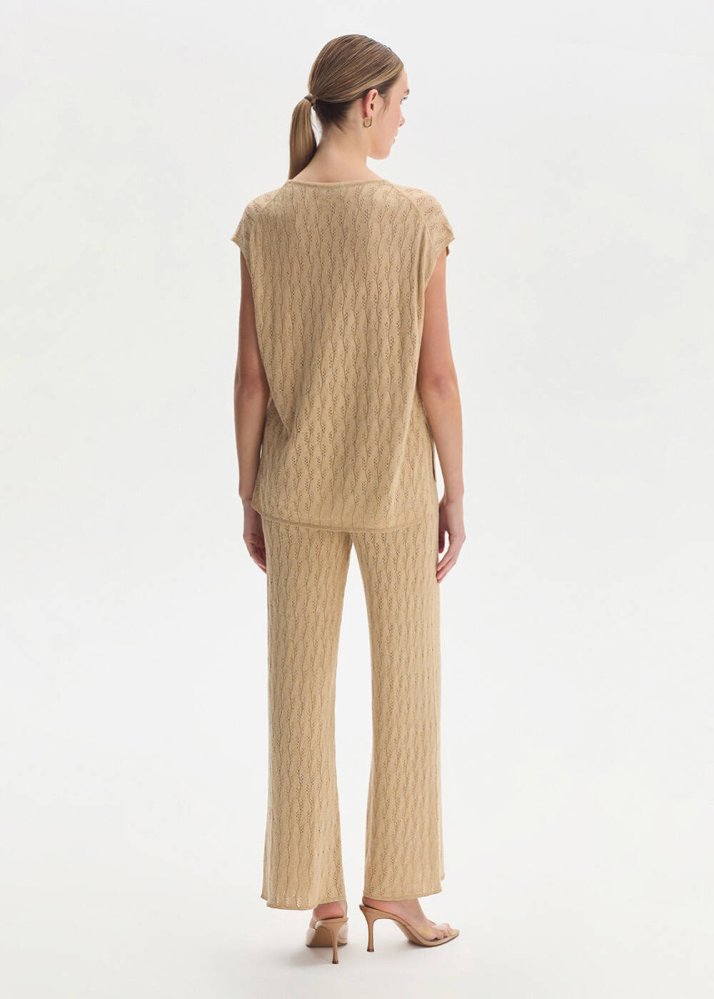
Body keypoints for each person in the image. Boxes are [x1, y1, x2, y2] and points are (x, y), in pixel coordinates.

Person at [230, 33, 465, 963]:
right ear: (366, 104)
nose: (403, 118)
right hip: (397, 485)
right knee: (408, 687)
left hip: (294, 488)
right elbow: (437, 378)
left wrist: (249, 491)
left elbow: (251, 379)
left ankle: (324, 901)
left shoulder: (265, 219)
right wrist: (456, 490)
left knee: (297, 693)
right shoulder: (415, 217)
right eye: (401, 101)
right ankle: (394, 887)